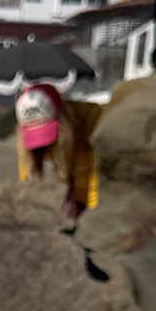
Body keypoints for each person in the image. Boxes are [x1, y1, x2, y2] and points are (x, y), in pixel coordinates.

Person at [14, 83, 98, 224]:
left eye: (45, 132)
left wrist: (92, 216)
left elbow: (96, 179)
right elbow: (26, 177)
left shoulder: (94, 122)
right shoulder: (24, 142)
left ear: (62, 118)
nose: (42, 144)